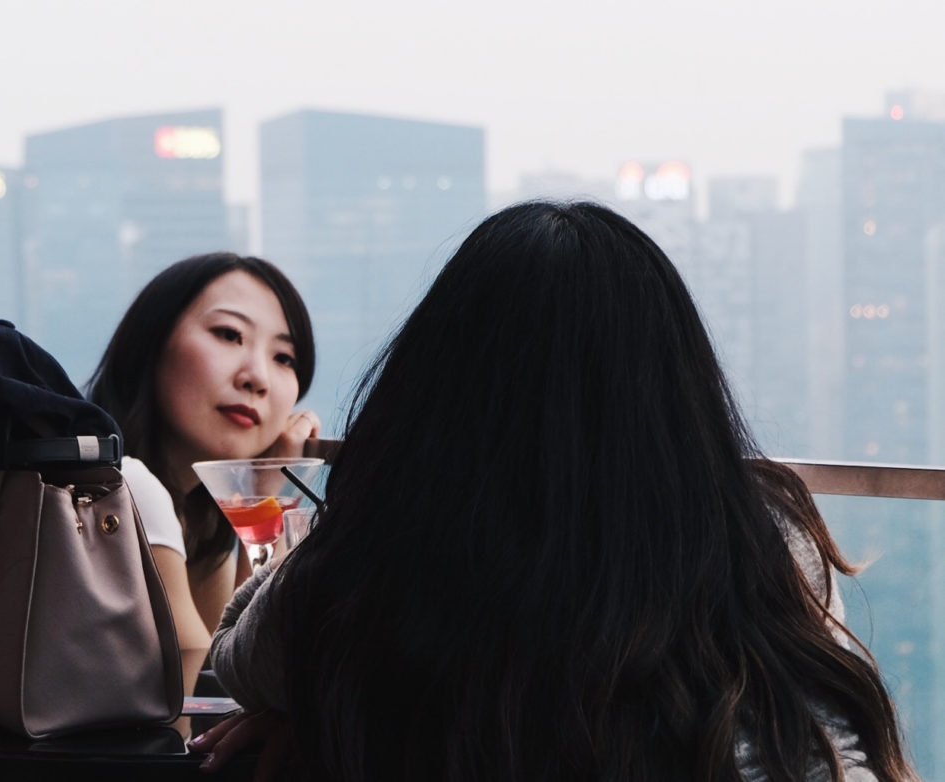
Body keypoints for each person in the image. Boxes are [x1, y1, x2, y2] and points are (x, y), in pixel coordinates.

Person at [197, 202, 916, 781]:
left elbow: (239, 655)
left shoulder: (385, 552)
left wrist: (357, 512)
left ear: (435, 385)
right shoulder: (756, 532)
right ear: (676, 390)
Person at [85, 252, 319, 655]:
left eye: (284, 358)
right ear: (151, 342)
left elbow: (232, 666)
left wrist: (261, 493)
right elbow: (233, 680)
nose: (257, 378)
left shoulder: (201, 524)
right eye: (229, 334)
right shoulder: (124, 489)